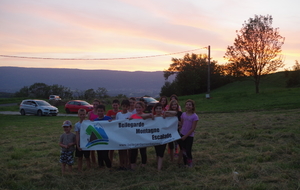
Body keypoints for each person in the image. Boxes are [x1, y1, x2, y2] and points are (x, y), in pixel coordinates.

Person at [177, 99, 199, 167]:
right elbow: (182, 124)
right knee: (183, 150)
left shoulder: (195, 116)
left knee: (188, 150)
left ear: (192, 106)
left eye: (190, 105)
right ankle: (185, 163)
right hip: (182, 134)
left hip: (189, 136)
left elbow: (193, 128)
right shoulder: (183, 114)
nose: (188, 106)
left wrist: (185, 136)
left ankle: (190, 163)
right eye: (187, 105)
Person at [129, 101, 148, 170]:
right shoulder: (132, 116)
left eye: (139, 107)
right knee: (133, 152)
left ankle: (143, 165)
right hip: (134, 137)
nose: (138, 109)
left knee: (143, 151)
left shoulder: (145, 116)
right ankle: (133, 165)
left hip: (143, 136)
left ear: (143, 108)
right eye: (136, 107)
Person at [115, 99, 132, 170]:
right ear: (121, 106)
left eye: (126, 106)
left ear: (128, 107)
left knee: (126, 150)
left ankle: (126, 164)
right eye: (123, 106)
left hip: (127, 135)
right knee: (120, 150)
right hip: (120, 134)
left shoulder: (130, 114)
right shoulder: (118, 114)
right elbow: (115, 123)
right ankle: (121, 164)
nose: (124, 108)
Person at [94, 104, 112, 169]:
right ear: (96, 111)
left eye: (101, 111)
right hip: (98, 140)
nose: (100, 112)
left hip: (106, 140)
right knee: (99, 154)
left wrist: (111, 122)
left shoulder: (108, 118)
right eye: (99, 111)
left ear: (104, 111)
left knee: (105, 154)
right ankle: (101, 166)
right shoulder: (95, 120)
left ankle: (109, 166)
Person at [151, 103, 168, 170]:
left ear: (162, 109)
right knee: (157, 152)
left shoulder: (164, 117)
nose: (158, 110)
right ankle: (158, 164)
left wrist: (165, 113)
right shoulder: (152, 117)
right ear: (155, 109)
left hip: (163, 137)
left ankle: (159, 169)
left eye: (160, 108)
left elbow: (175, 113)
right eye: (157, 108)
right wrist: (151, 115)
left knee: (161, 152)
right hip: (155, 137)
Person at [106, 99, 121, 164]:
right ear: (112, 105)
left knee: (120, 148)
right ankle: (110, 162)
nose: (115, 106)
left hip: (119, 131)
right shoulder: (109, 112)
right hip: (111, 131)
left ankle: (121, 162)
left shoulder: (120, 112)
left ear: (119, 105)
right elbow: (107, 120)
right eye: (114, 105)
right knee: (111, 148)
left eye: (116, 105)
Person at [87, 99, 101, 165]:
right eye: (94, 104)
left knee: (99, 148)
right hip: (92, 132)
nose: (95, 106)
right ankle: (94, 162)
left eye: (96, 104)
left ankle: (100, 162)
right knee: (92, 149)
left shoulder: (100, 113)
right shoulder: (90, 113)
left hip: (99, 132)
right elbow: (87, 123)